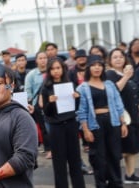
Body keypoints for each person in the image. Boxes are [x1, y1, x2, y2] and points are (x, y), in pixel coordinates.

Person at [76, 55, 128, 188]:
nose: (97, 68)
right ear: (89, 68)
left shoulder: (109, 84)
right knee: (99, 158)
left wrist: (123, 123)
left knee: (115, 156)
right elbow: (81, 111)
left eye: (100, 65)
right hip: (95, 124)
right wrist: (86, 130)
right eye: (94, 65)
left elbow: (118, 104)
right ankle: (101, 184)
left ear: (103, 68)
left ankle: (116, 183)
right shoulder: (83, 88)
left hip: (113, 122)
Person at [39, 58, 85, 188]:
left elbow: (75, 107)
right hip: (56, 127)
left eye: (58, 68)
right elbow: (47, 112)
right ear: (49, 71)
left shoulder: (69, 84)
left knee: (75, 160)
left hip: (71, 125)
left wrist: (77, 98)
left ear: (63, 69)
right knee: (59, 163)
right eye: (53, 69)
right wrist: (51, 102)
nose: (56, 71)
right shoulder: (46, 88)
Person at [106, 48, 139, 184]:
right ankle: (112, 177)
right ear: (110, 60)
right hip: (120, 116)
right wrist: (126, 77)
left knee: (132, 148)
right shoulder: (110, 74)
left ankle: (130, 175)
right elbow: (114, 90)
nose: (118, 59)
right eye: (115, 57)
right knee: (120, 150)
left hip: (132, 114)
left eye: (121, 56)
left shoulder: (127, 72)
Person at [24, 51, 51, 159]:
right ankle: (49, 149)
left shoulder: (52, 72)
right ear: (36, 60)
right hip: (38, 105)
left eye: (45, 58)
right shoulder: (32, 75)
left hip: (52, 103)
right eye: (40, 58)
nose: (43, 60)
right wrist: (31, 102)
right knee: (44, 128)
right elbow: (28, 91)